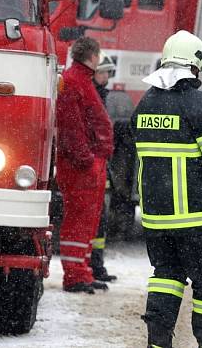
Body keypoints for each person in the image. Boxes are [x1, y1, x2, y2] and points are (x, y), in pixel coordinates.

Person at [131, 30, 202, 348]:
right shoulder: (197, 102)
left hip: (157, 218)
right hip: (196, 217)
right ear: (195, 64)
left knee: (166, 276)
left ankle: (158, 343)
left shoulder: (146, 103)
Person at [56, 37, 113, 294]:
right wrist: (87, 161)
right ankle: (74, 275)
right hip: (81, 166)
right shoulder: (74, 82)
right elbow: (72, 128)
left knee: (87, 220)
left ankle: (83, 271)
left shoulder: (80, 80)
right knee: (79, 218)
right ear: (93, 56)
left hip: (88, 163)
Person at [90, 51, 118, 283]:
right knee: (95, 219)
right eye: (104, 72)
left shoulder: (99, 94)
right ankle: (92, 266)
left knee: (100, 219)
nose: (107, 77)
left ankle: (95, 265)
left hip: (99, 164)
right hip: (93, 165)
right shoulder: (92, 95)